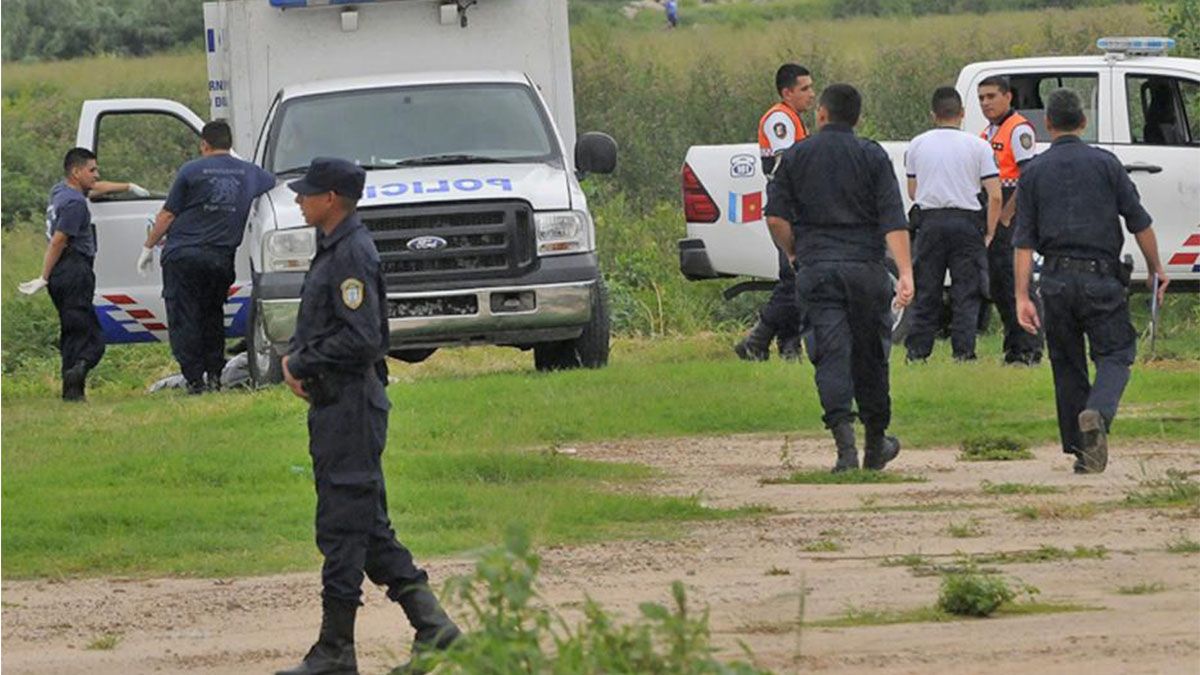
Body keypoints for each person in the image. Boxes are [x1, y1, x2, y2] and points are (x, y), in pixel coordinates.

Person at [277, 158, 460, 675]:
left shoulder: (351, 252)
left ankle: (336, 650)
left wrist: (301, 362)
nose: (299, 200)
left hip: (351, 406)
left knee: (341, 525)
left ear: (331, 198)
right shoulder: (334, 248)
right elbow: (323, 322)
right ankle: (435, 628)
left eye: (307, 193)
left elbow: (363, 338)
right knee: (367, 526)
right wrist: (297, 357)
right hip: (337, 404)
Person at [1013, 89, 1167, 475]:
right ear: (1084, 123)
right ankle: (1097, 412)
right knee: (1115, 353)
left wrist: (1021, 296)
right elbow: (1140, 222)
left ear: (1047, 124)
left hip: (1055, 280)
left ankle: (1083, 454)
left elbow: (1023, 242)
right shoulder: (1106, 164)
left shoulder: (1033, 172)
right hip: (1101, 278)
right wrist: (1156, 269)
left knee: (1067, 365)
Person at [765, 84, 915, 473]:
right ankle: (876, 444)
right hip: (866, 269)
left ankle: (845, 448)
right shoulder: (872, 155)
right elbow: (893, 219)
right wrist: (906, 272)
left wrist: (794, 251)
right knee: (871, 354)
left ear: (821, 114)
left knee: (829, 353)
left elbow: (775, 218)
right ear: (857, 118)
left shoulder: (796, 156)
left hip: (818, 269)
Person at [140, 120, 276, 394]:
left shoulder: (191, 170)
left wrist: (147, 247)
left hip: (182, 256)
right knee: (211, 314)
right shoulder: (250, 173)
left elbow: (167, 215)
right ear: (230, 143)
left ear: (204, 144)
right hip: (219, 259)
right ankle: (214, 375)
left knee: (184, 316)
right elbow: (274, 183)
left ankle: (194, 380)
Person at [18, 147, 149, 401]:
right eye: (92, 170)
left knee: (71, 332)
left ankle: (72, 393)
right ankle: (77, 375)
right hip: (74, 268)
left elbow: (97, 188)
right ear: (76, 172)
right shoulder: (76, 204)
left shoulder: (60, 191)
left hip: (62, 273)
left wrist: (128, 186)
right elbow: (58, 240)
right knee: (91, 338)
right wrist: (42, 276)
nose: (97, 175)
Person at [904, 86, 1003, 362]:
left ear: (933, 114)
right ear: (962, 113)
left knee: (927, 290)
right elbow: (995, 195)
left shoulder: (917, 144)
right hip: (967, 223)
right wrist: (990, 230)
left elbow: (914, 190)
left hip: (930, 222)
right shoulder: (979, 146)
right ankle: (963, 351)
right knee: (966, 291)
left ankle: (917, 352)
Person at [735, 63, 816, 362]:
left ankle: (788, 346)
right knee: (794, 276)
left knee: (793, 274)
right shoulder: (780, 118)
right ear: (787, 92)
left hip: (793, 199)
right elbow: (788, 162)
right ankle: (757, 339)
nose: (811, 94)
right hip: (788, 199)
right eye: (805, 88)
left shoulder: (794, 118)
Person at [977, 75, 1043, 365]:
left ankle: (1029, 347)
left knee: (1017, 280)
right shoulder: (988, 132)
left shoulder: (1018, 130)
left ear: (1008, 97)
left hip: (1009, 212)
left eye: (991, 96)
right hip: (993, 208)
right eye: (981, 98)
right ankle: (1013, 346)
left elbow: (1027, 176)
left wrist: (1007, 213)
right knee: (1000, 284)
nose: (985, 103)